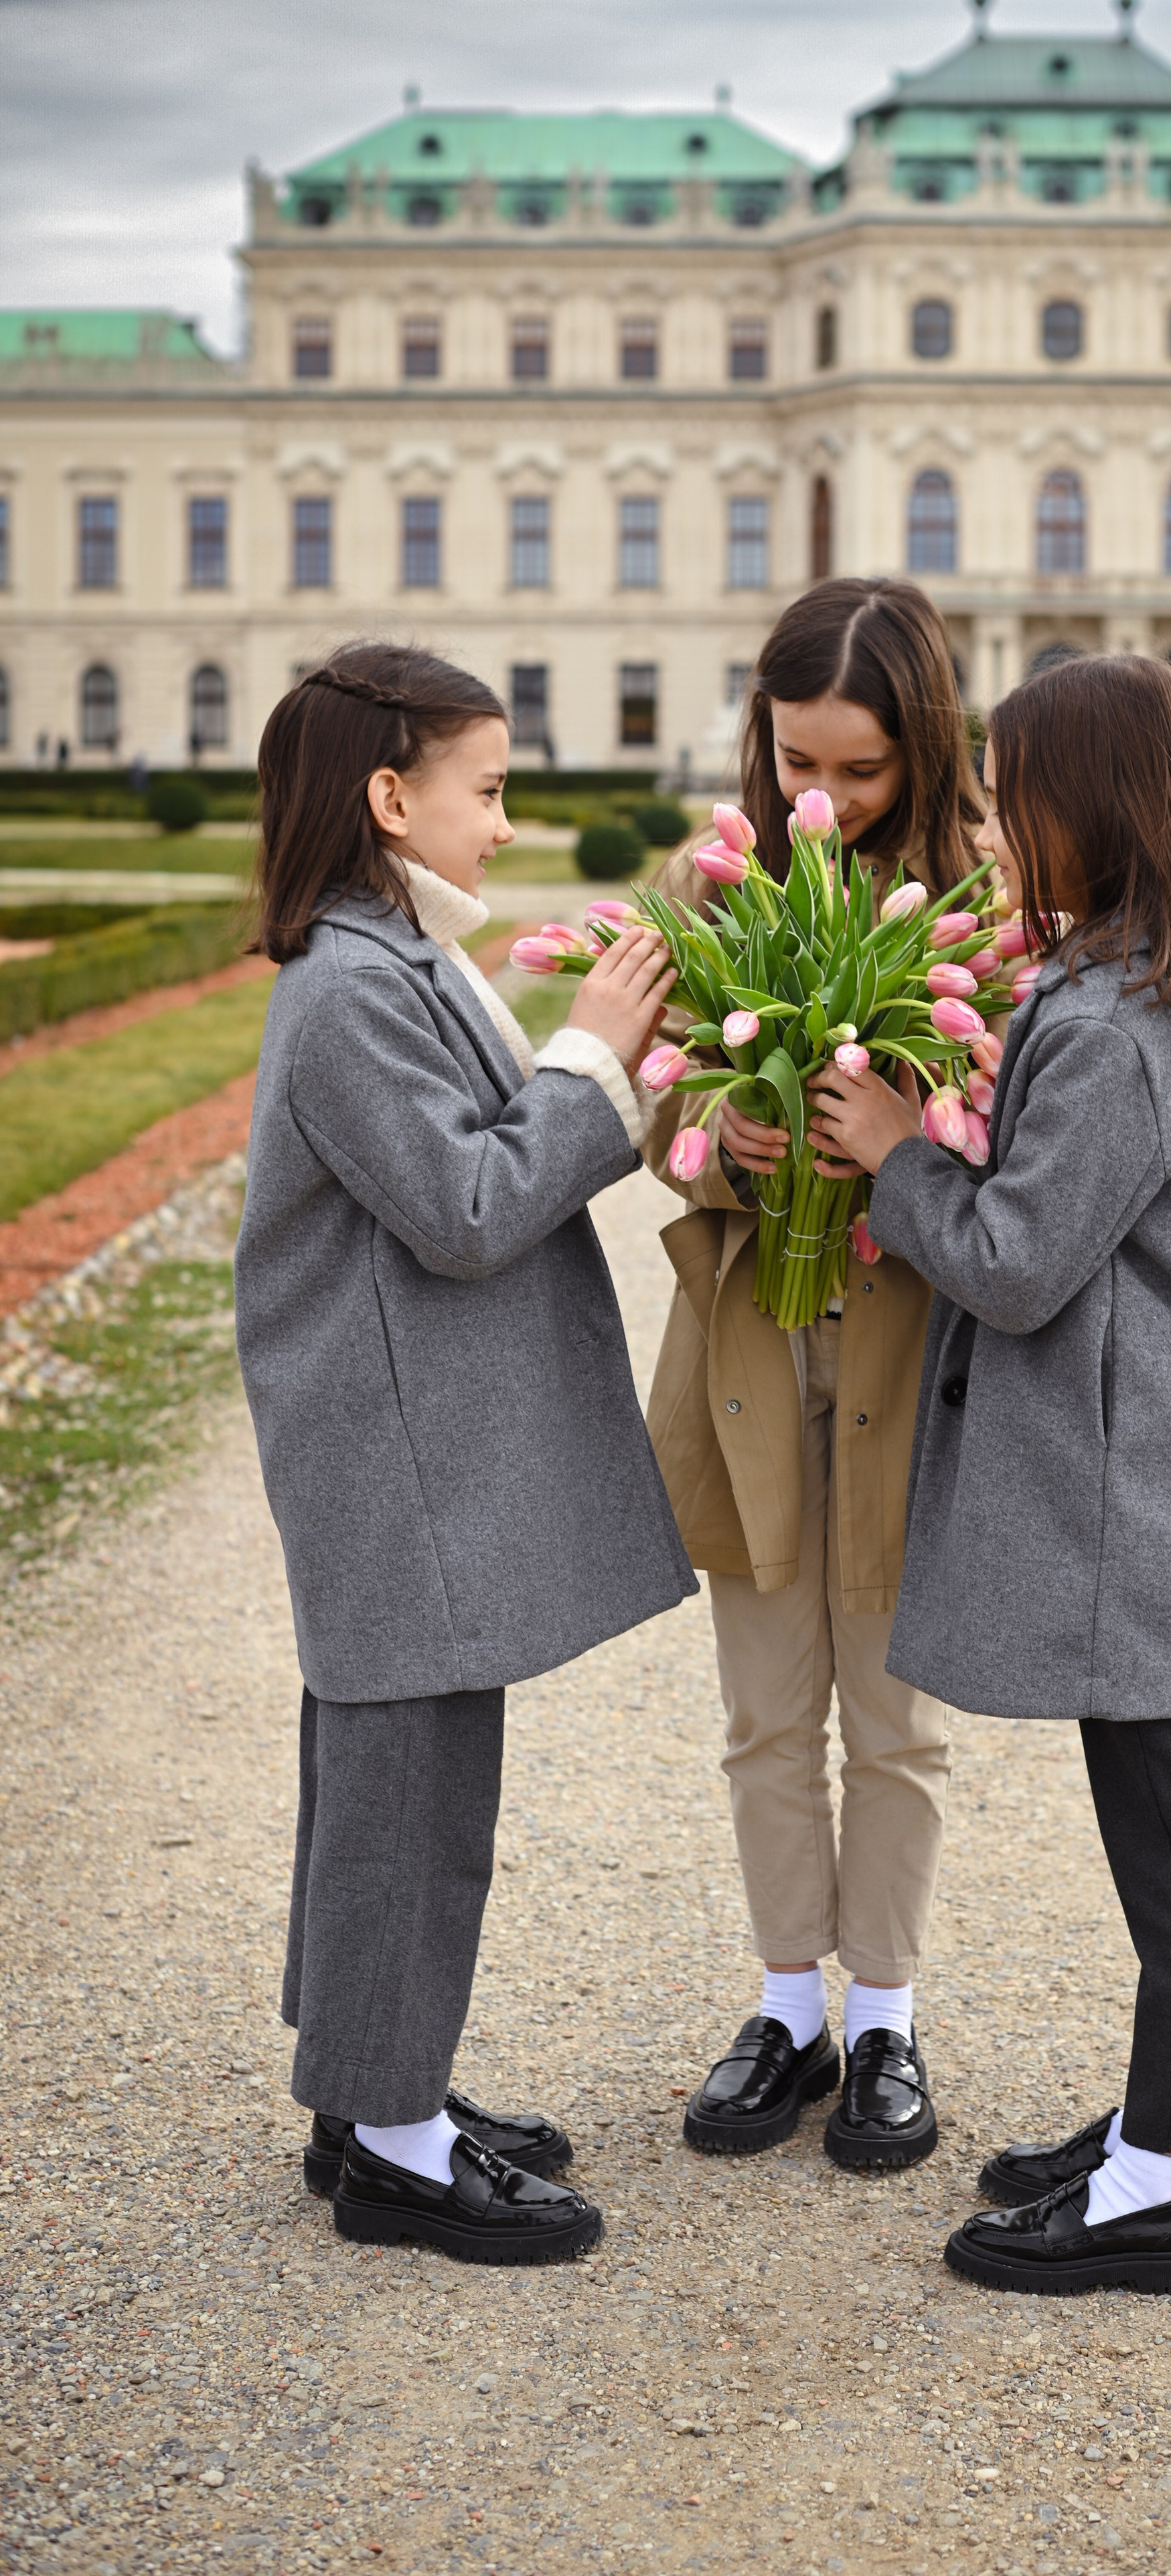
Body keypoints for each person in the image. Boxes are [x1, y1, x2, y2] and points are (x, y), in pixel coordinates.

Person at [810, 653, 1171, 2296]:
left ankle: (1159, 2178)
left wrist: (888, 1156)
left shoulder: (1116, 1024)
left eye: (1012, 796)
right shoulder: (1132, 990)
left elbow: (1017, 1263)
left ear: (1088, 809)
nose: (992, 824)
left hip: (1138, 1471)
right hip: (1162, 1457)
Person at [235, 643, 694, 2263]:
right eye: (485, 789)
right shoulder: (359, 982)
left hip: (405, 1443)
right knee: (406, 1784)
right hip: (398, 1451)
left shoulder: (381, 957)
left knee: (399, 1772)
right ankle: (391, 2141)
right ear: (388, 796)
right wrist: (590, 1052)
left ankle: (370, 2087)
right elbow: (468, 1205)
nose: (504, 824)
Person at [645, 576, 983, 2170]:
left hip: (914, 1346)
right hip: (751, 1346)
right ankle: (788, 2008)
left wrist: (901, 1146)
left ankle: (891, 2018)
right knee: (764, 1700)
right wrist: (730, 1141)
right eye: (800, 762)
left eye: (862, 770)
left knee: (896, 1713)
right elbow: (649, 1112)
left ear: (925, 746)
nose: (825, 801)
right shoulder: (716, 882)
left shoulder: (980, 903)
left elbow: (1016, 1148)